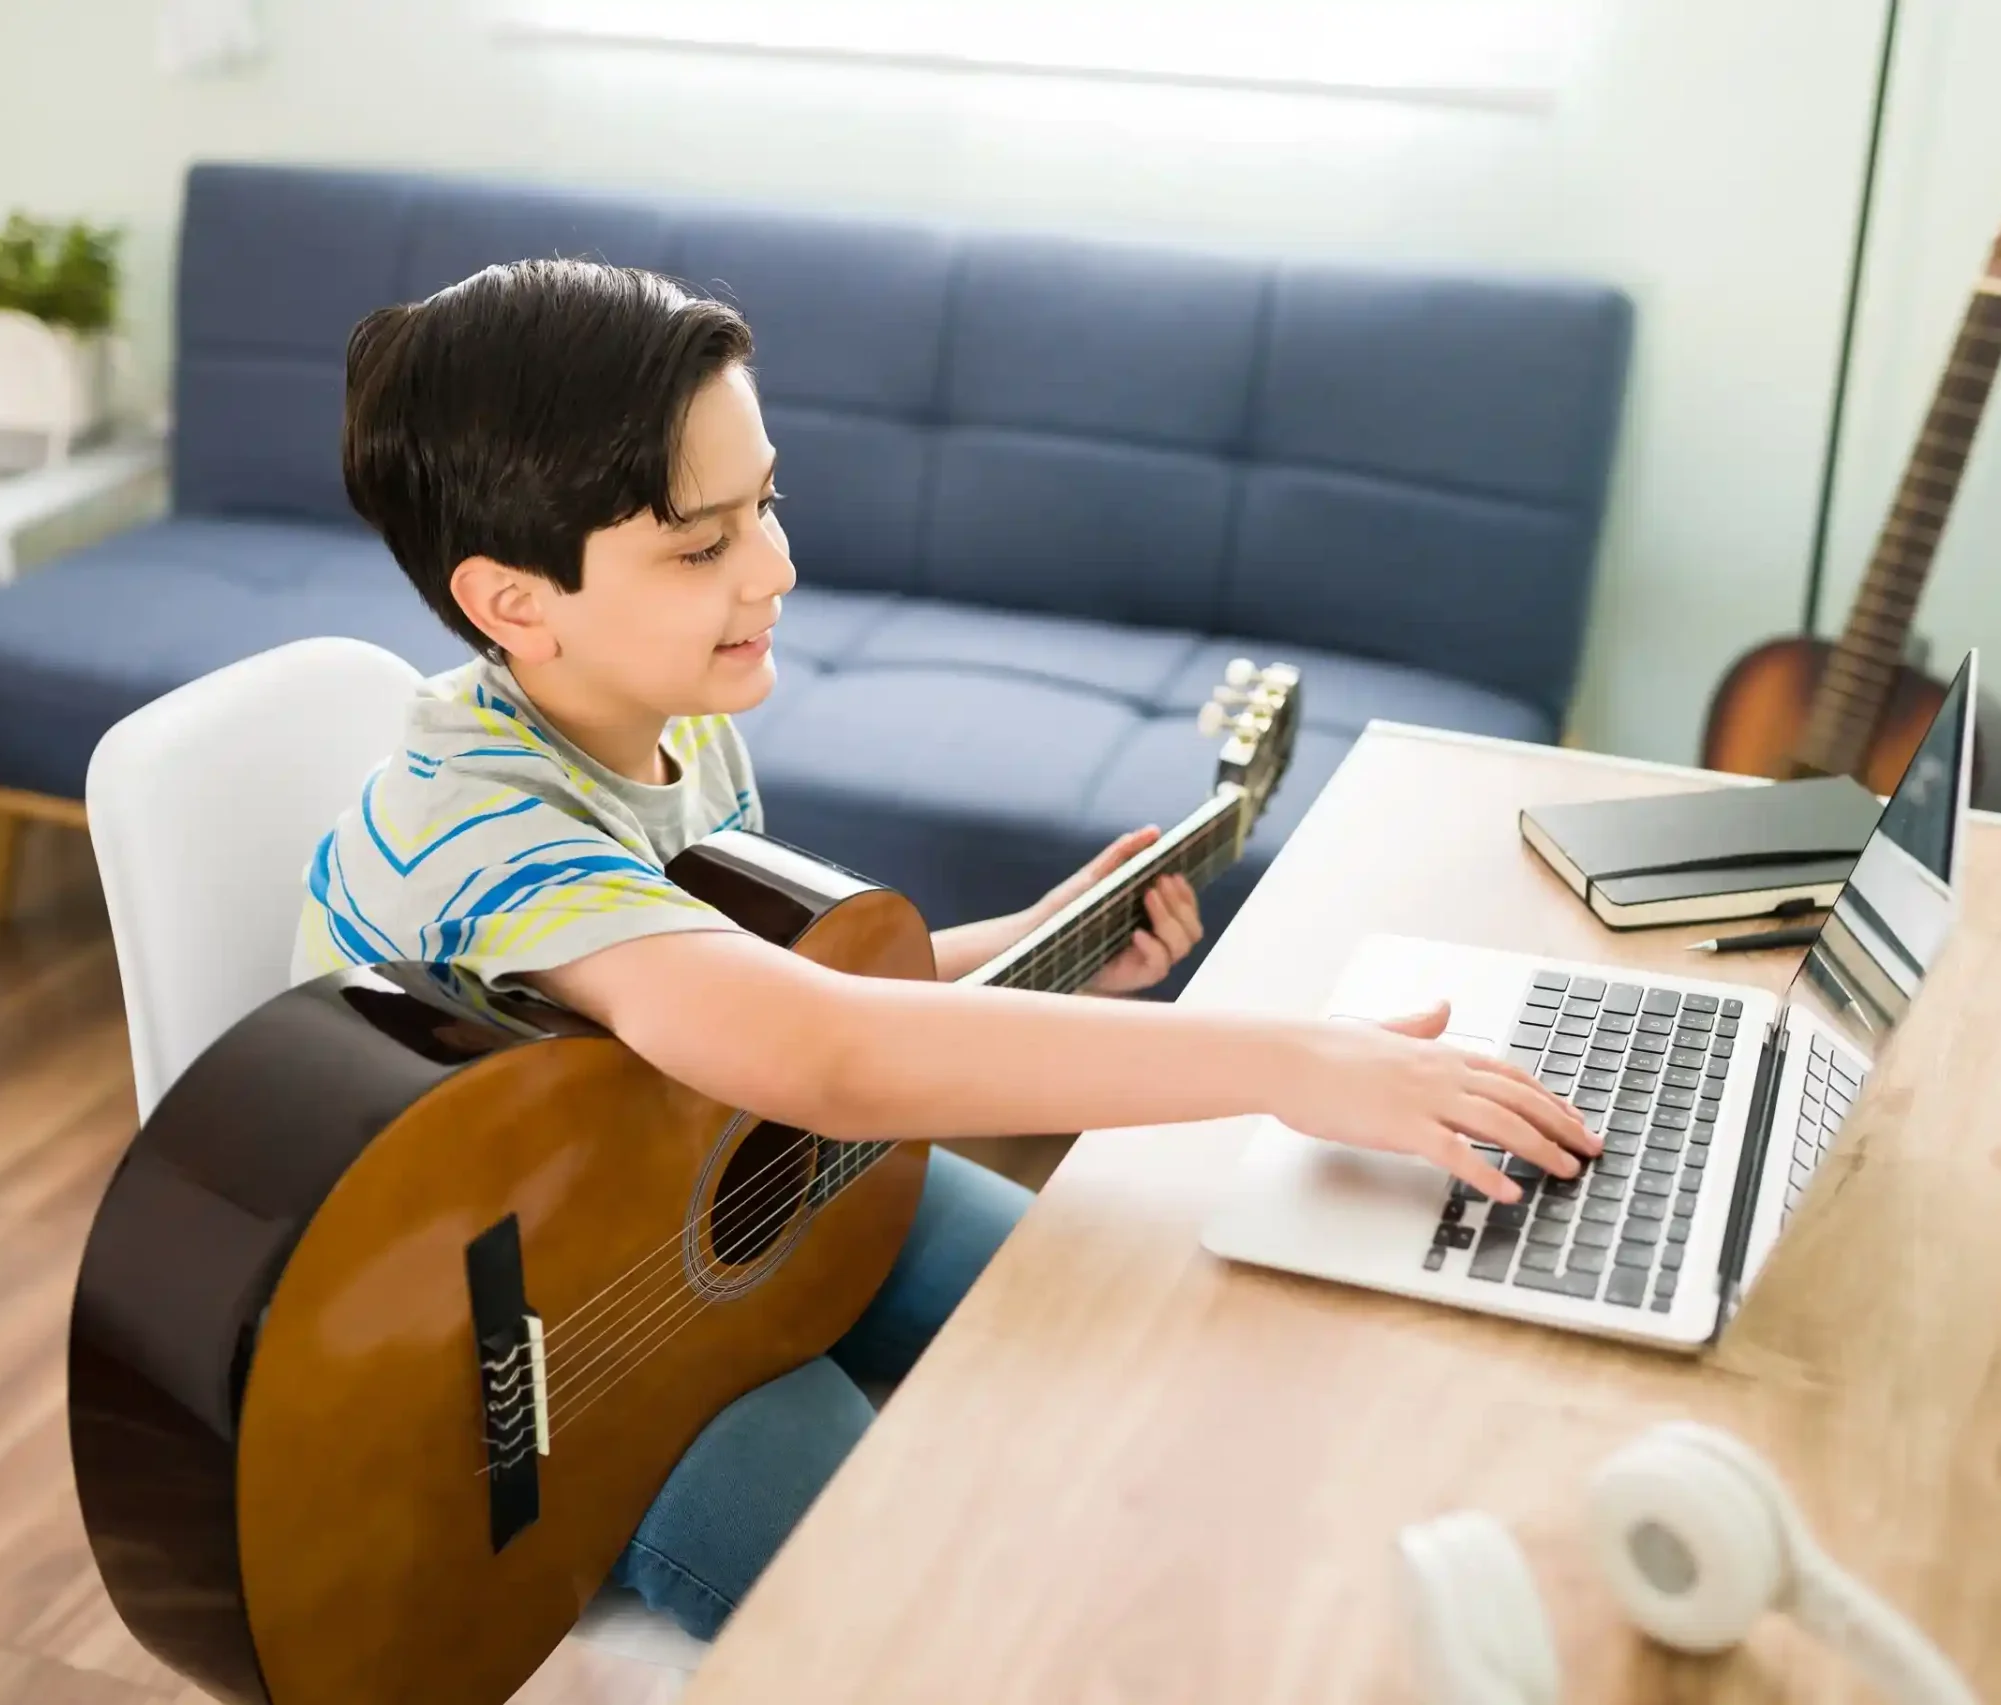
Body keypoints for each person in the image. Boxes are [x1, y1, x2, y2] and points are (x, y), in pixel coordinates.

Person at [294, 259, 1594, 1640]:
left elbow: (744, 1010)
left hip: (712, 1215)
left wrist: (1033, 947)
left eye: (765, 506)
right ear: (513, 604)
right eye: (702, 546)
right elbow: (824, 1049)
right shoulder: (478, 833)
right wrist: (1288, 1062)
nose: (777, 567)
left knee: (1139, 1329)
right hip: (539, 1377)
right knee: (926, 1611)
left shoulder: (673, 720)